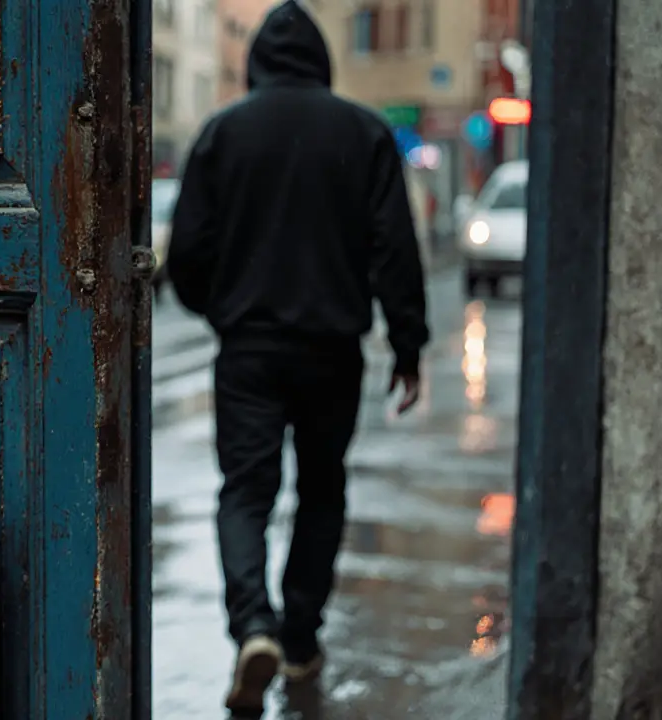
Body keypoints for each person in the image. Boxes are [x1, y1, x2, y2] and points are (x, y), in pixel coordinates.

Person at [166, 1, 430, 712]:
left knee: (245, 491)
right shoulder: (364, 132)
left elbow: (186, 250)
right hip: (332, 350)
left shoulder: (224, 132)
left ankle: (254, 626)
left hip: (248, 349)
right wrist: (408, 344)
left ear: (256, 62)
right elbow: (395, 249)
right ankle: (301, 637)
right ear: (322, 60)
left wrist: (221, 308)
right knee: (321, 489)